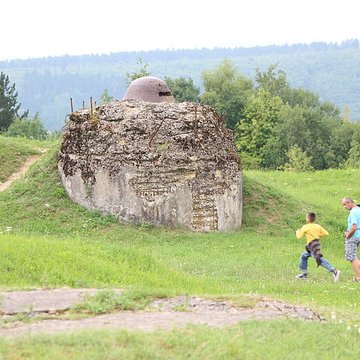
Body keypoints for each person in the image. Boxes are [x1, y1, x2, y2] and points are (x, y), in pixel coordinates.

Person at [295, 212, 340, 281]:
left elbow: (299, 237)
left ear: (308, 219)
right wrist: (318, 235)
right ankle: (304, 273)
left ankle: (334, 271)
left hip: (311, 246)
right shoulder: (317, 226)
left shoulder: (306, 227)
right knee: (304, 256)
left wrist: (297, 232)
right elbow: (326, 233)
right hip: (315, 244)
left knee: (319, 259)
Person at [341, 197, 360, 282]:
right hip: (359, 235)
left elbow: (354, 227)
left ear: (350, 203)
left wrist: (348, 234)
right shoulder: (359, 209)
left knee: (352, 257)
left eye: (344, 204)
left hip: (353, 236)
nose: (344, 207)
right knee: (355, 257)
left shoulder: (353, 212)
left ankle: (358, 277)